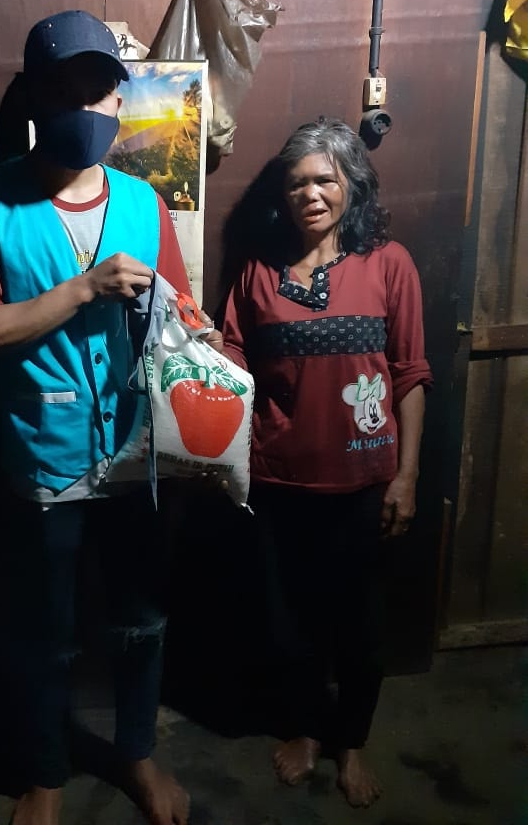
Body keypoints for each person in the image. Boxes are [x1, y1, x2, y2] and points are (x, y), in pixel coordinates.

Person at [0, 9, 208, 825]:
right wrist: (84, 289)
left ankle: (136, 755)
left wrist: (201, 338)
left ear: (120, 103)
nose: (87, 108)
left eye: (100, 91)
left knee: (141, 624)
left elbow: (179, 312)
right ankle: (45, 775)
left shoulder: (144, 203)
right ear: (33, 97)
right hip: (42, 458)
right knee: (45, 632)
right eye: (66, 90)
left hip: (138, 455)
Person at [219, 117, 433, 808]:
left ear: (351, 185)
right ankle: (306, 730)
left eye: (324, 179)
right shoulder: (258, 270)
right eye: (296, 184)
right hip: (277, 478)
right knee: (292, 624)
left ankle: (352, 742)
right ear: (281, 196)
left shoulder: (389, 264)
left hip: (365, 482)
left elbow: (411, 373)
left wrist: (407, 475)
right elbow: (231, 356)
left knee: (362, 627)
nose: (309, 194)